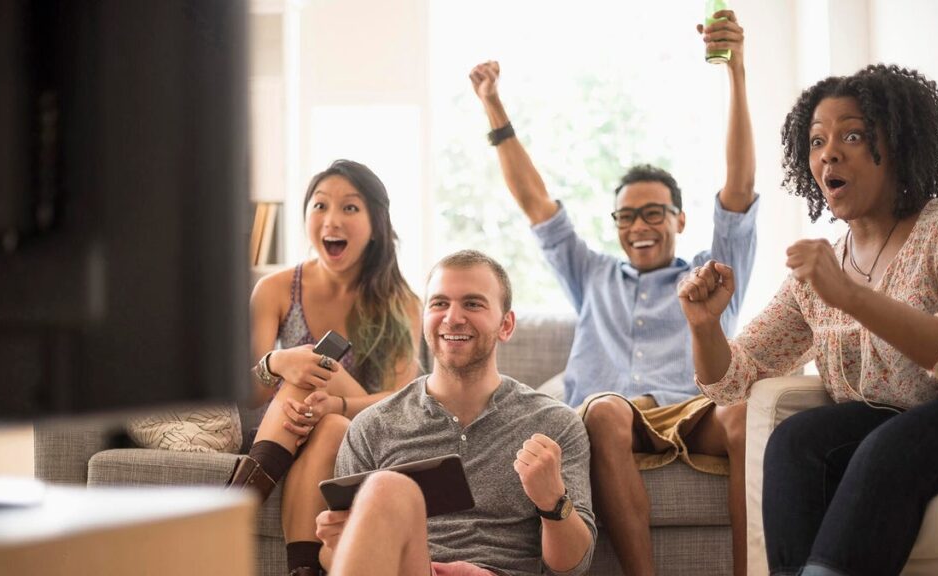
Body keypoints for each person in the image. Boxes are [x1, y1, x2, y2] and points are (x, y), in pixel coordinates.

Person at [469, 9, 756, 575]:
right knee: (601, 412)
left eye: (652, 213)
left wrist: (737, 73)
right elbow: (536, 204)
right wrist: (494, 107)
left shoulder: (713, 273)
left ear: (679, 218)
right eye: (625, 217)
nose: (638, 226)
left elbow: (740, 186)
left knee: (747, 413)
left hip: (692, 406)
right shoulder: (592, 274)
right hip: (613, 413)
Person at [679, 63, 938, 576]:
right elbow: (732, 380)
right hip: (892, 425)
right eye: (817, 141)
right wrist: (705, 324)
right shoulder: (819, 272)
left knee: (889, 445)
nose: (829, 154)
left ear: (900, 146)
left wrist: (850, 296)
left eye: (854, 135)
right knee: (798, 440)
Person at [313, 250, 595, 576]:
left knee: (385, 487)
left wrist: (552, 500)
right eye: (439, 304)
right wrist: (340, 544)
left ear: (506, 325)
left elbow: (573, 568)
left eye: (473, 304)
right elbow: (332, 562)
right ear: (423, 321)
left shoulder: (554, 424)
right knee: (387, 488)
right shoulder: (372, 427)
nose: (453, 317)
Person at [226, 159, 422, 576]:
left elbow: (400, 401)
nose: (332, 220)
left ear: (375, 223)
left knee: (321, 382)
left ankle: (230, 512)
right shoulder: (276, 289)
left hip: (364, 434)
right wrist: (279, 362)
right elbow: (251, 394)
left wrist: (334, 404)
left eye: (350, 208)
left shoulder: (402, 303)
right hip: (287, 431)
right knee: (309, 382)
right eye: (320, 206)